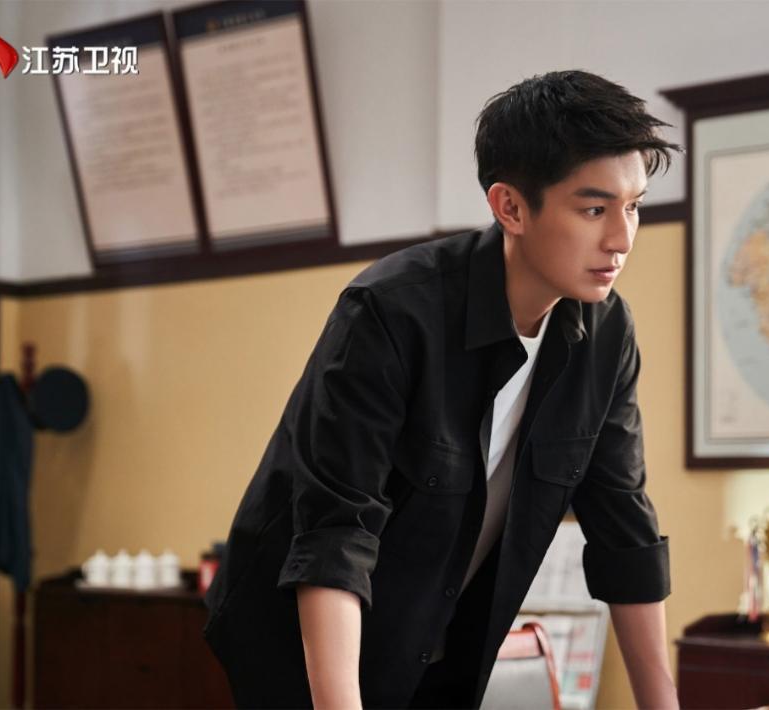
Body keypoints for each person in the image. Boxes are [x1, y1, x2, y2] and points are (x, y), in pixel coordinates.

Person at [203, 69, 682, 709]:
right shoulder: (391, 312)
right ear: (510, 207)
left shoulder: (606, 333)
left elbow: (624, 529)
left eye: (634, 206)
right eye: (594, 210)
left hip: (442, 639)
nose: (622, 239)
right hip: (301, 646)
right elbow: (335, 533)